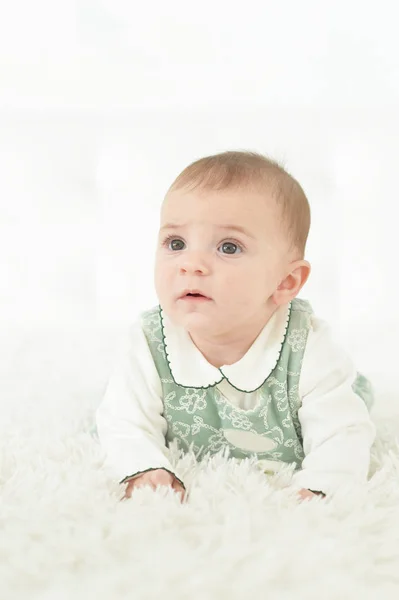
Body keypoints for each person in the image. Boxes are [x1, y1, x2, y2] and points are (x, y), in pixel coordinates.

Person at [94, 150, 375, 502]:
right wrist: (143, 466)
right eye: (175, 243)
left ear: (285, 282)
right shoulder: (150, 341)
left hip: (323, 398)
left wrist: (322, 487)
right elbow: (123, 421)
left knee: (351, 407)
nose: (191, 264)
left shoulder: (309, 347)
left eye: (228, 247)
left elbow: (343, 433)